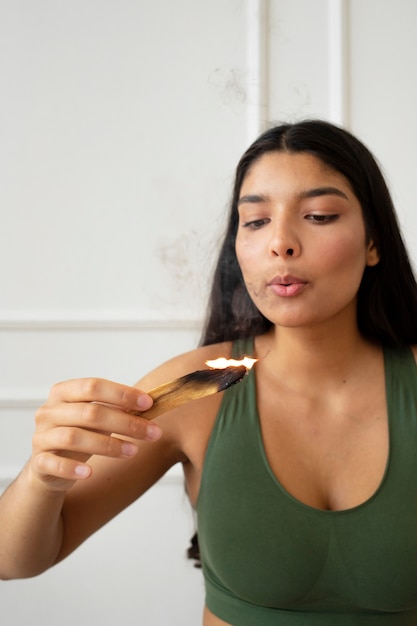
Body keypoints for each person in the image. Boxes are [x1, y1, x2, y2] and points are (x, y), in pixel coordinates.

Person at [1, 119, 417, 625]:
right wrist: (44, 475)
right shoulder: (198, 388)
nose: (280, 242)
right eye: (256, 222)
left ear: (374, 242)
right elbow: (13, 561)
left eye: (319, 215)